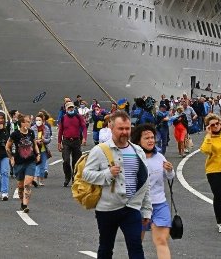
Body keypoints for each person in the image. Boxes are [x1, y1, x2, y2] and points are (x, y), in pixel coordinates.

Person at [82, 110, 152, 259]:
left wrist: (146, 209)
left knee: (136, 248)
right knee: (106, 248)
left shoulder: (138, 151)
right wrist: (107, 174)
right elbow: (86, 174)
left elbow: (145, 182)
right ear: (111, 127)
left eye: (127, 128)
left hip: (131, 207)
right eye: (121, 128)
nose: (125, 132)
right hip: (108, 209)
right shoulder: (100, 150)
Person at [133, 123, 174, 259]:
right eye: (147, 138)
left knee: (161, 240)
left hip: (159, 204)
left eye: (152, 137)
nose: (151, 140)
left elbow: (169, 177)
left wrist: (169, 170)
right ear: (138, 141)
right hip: (139, 205)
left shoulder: (160, 157)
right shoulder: (133, 158)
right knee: (136, 243)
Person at [5, 114, 40, 212]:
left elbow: (34, 144)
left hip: (30, 161)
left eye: (29, 121)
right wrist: (11, 158)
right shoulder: (15, 134)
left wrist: (38, 154)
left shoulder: (31, 133)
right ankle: (22, 202)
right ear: (22, 123)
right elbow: (7, 146)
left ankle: (25, 205)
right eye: (28, 122)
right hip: (19, 162)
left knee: (27, 184)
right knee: (20, 186)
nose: (30, 123)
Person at [57, 100, 86, 187]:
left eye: (72, 107)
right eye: (69, 108)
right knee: (66, 160)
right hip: (66, 141)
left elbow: (84, 127)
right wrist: (59, 142)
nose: (71, 109)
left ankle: (75, 177)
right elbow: (60, 131)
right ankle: (67, 176)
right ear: (66, 109)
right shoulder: (63, 118)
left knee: (76, 161)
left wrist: (84, 138)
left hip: (76, 141)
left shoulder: (78, 117)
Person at [31, 114, 51, 187]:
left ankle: (41, 180)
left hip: (44, 149)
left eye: (39, 120)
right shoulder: (32, 128)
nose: (38, 121)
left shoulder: (46, 128)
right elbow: (30, 139)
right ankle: (35, 179)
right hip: (35, 150)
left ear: (43, 121)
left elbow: (49, 139)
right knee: (36, 164)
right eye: (36, 120)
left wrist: (44, 140)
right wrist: (36, 141)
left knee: (42, 166)